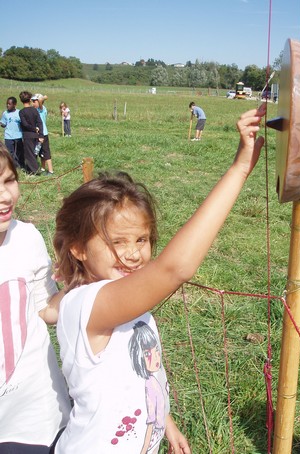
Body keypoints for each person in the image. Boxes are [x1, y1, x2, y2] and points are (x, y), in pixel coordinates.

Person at [52, 104, 266, 453]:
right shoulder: (88, 305)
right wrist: (240, 168)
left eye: (141, 239)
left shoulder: (123, 300)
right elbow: (175, 268)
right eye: (115, 242)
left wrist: (164, 421)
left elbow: (140, 374)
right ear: (77, 248)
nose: (133, 253)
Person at [0, 144, 71, 453]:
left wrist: (81, 283)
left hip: (38, 413)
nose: (5, 196)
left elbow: (44, 309)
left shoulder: (26, 237)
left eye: (8, 180)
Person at [18, 91, 44, 175]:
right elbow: (40, 123)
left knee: (29, 155)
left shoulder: (21, 112)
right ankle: (30, 170)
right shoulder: (34, 110)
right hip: (36, 135)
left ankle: (35, 171)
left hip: (27, 135)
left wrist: (33, 129)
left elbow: (25, 124)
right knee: (33, 153)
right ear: (30, 100)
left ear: (21, 100)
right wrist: (41, 135)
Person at [31, 94, 54, 176]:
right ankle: (43, 168)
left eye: (34, 101)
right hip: (37, 134)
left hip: (43, 134)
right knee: (41, 153)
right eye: (32, 101)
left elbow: (41, 101)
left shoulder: (42, 109)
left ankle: (51, 171)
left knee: (46, 152)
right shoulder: (35, 110)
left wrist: (42, 98)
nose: (32, 103)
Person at [0, 97, 25, 169]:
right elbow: (4, 124)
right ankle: (12, 166)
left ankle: (21, 165)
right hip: (8, 136)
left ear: (14, 104)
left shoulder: (19, 113)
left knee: (19, 152)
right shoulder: (5, 113)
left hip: (18, 136)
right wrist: (2, 124)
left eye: (9, 104)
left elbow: (23, 123)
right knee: (9, 152)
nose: (8, 105)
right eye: (7, 104)